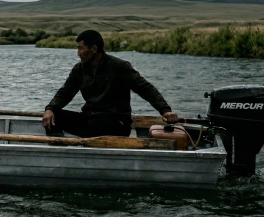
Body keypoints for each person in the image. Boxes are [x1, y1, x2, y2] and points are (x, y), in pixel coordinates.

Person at [43, 30, 178, 138]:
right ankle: (62, 155)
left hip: (117, 122)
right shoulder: (79, 69)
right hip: (91, 117)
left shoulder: (119, 67)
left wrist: (165, 110)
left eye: (81, 49)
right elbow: (65, 93)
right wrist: (50, 109)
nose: (78, 54)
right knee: (55, 117)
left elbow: (145, 89)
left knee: (95, 126)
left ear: (94, 49)